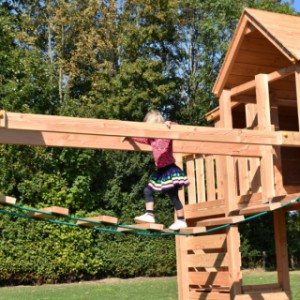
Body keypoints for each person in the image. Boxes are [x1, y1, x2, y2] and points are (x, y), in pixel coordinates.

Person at [124, 110, 190, 230]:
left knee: (174, 196)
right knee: (148, 191)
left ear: (158, 124)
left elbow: (178, 128)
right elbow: (140, 139)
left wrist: (170, 124)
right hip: (161, 171)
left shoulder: (166, 134)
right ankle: (150, 214)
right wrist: (130, 136)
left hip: (170, 169)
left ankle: (181, 220)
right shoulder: (151, 139)